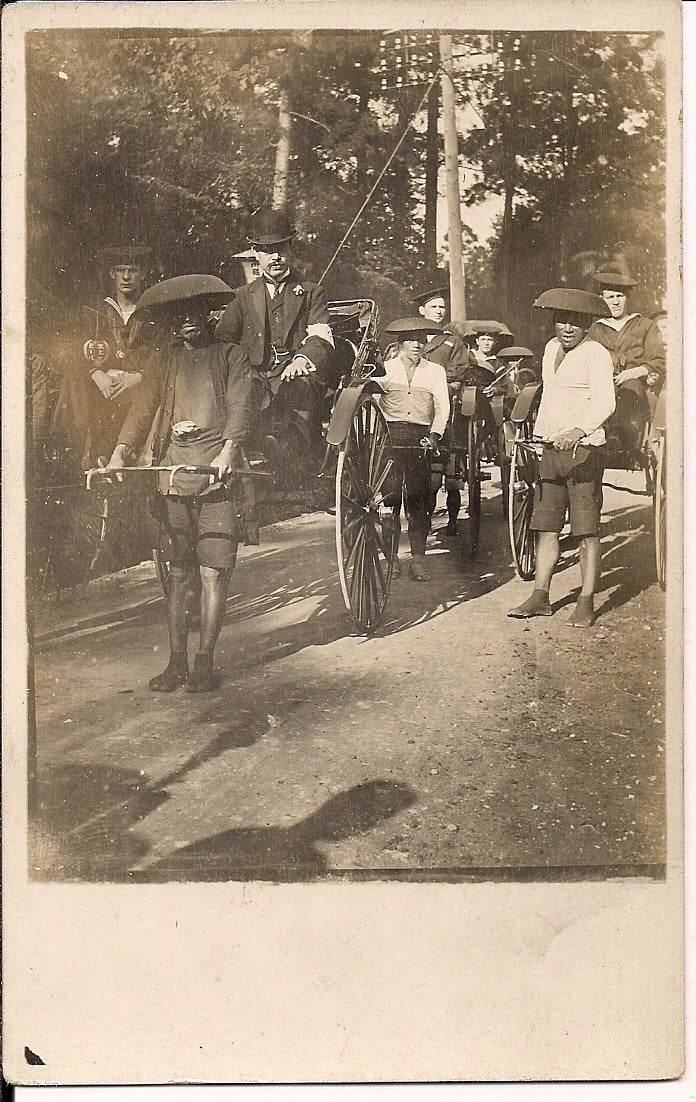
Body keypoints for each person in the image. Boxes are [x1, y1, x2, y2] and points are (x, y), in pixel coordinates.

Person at [107, 275, 253, 693]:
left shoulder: (231, 355)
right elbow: (142, 408)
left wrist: (227, 452)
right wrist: (121, 450)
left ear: (209, 316)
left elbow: (241, 405)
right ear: (172, 323)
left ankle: (204, 661)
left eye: (194, 314)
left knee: (212, 575)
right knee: (179, 573)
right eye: (179, 316)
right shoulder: (165, 361)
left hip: (216, 478)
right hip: (173, 477)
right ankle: (176, 663)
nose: (187, 321)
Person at [508, 288, 615, 628]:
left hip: (584, 451)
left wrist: (579, 430)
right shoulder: (550, 349)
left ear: (586, 326)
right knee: (546, 526)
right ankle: (541, 595)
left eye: (575, 323)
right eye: (561, 321)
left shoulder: (596, 354)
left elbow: (605, 403)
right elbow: (549, 398)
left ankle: (586, 600)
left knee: (586, 530)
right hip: (551, 449)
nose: (567, 328)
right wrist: (542, 436)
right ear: (554, 323)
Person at [215, 207, 336, 472]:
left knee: (299, 388)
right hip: (256, 374)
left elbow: (320, 336)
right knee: (240, 390)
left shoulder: (312, 293)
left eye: (281, 249)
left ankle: (296, 457)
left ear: (291, 250)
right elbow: (224, 340)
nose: (275, 257)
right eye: (267, 250)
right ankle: (243, 452)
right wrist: (238, 368)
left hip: (297, 373)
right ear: (256, 254)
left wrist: (302, 359)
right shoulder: (242, 296)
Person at [53, 245, 161, 468]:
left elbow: (165, 355)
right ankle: (82, 458)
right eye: (120, 270)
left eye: (132, 270)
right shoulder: (94, 312)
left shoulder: (154, 312)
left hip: (141, 392)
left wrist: (138, 377)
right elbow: (70, 351)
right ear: (112, 274)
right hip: (102, 394)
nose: (127, 277)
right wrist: (96, 373)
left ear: (143, 274)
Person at [377, 317, 449, 581]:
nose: (417, 345)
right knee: (390, 501)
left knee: (418, 503)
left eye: (421, 340)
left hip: (420, 439)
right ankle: (392, 560)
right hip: (389, 441)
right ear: (399, 343)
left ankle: (418, 560)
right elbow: (374, 403)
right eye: (411, 340)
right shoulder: (385, 369)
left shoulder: (435, 371)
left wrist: (435, 434)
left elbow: (442, 406)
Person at [408, 284, 473, 537]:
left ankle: (450, 518)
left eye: (442, 307)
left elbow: (459, 371)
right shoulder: (410, 339)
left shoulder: (451, 342)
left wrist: (439, 382)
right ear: (421, 309)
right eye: (433, 307)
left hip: (441, 400)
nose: (438, 311)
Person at [587, 270, 665, 455]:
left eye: (620, 296)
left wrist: (634, 372)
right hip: (601, 382)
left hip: (633, 383)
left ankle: (617, 437)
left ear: (627, 298)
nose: (615, 301)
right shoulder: (595, 329)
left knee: (628, 389)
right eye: (610, 297)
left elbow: (658, 359)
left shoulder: (645, 325)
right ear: (601, 299)